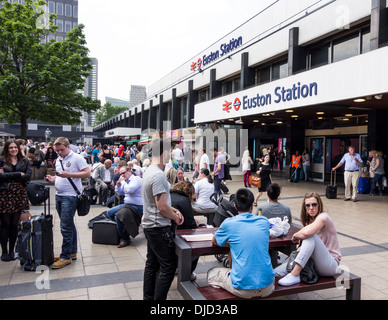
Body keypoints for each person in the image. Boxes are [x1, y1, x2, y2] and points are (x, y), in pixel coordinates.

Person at [207, 188, 275, 299]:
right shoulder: (263, 222)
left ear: (234, 206)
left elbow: (215, 241)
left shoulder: (229, 223)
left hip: (242, 289)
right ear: (252, 206)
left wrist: (233, 243)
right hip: (268, 286)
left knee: (211, 273)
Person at [141, 139, 184, 300]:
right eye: (170, 152)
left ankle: (148, 297)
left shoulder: (149, 171)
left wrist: (173, 210)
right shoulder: (158, 175)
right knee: (168, 266)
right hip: (158, 227)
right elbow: (161, 207)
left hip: (151, 225)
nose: (171, 156)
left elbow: (157, 203)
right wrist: (175, 217)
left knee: (152, 265)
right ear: (165, 152)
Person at [275, 193, 341, 286]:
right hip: (312, 263)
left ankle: (295, 273)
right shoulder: (310, 220)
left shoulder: (323, 217)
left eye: (314, 204)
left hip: (330, 265)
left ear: (319, 205)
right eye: (308, 205)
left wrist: (296, 235)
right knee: (275, 273)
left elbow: (306, 233)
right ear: (305, 207)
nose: (311, 208)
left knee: (310, 236)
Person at [45, 137, 90, 269]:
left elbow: (87, 173)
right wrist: (53, 178)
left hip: (70, 196)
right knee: (69, 224)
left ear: (68, 147)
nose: (59, 152)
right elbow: (60, 175)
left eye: (61, 150)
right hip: (59, 195)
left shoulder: (76, 157)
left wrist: (70, 175)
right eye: (57, 150)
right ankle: (71, 252)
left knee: (65, 227)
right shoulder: (59, 159)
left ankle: (65, 256)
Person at [0, 140, 32, 261]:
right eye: (10, 147)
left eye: (15, 147)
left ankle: (12, 250)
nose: (13, 149)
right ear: (6, 149)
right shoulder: (1, 160)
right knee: (5, 224)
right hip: (5, 194)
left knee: (15, 224)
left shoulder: (24, 160)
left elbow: (29, 176)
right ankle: (4, 251)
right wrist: (19, 174)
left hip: (19, 194)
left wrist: (7, 175)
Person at [257, 183, 292, 267]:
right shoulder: (286, 208)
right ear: (279, 194)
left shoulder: (261, 208)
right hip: (281, 237)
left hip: (266, 238)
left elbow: (256, 223)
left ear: (267, 193)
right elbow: (289, 223)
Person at [107, 165, 143, 248]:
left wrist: (122, 182)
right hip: (128, 205)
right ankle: (124, 230)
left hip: (138, 206)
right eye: (120, 174)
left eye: (123, 173)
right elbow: (120, 193)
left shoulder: (136, 179)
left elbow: (129, 190)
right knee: (109, 213)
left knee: (118, 216)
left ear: (129, 171)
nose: (122, 175)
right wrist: (118, 185)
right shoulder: (126, 181)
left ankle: (125, 239)